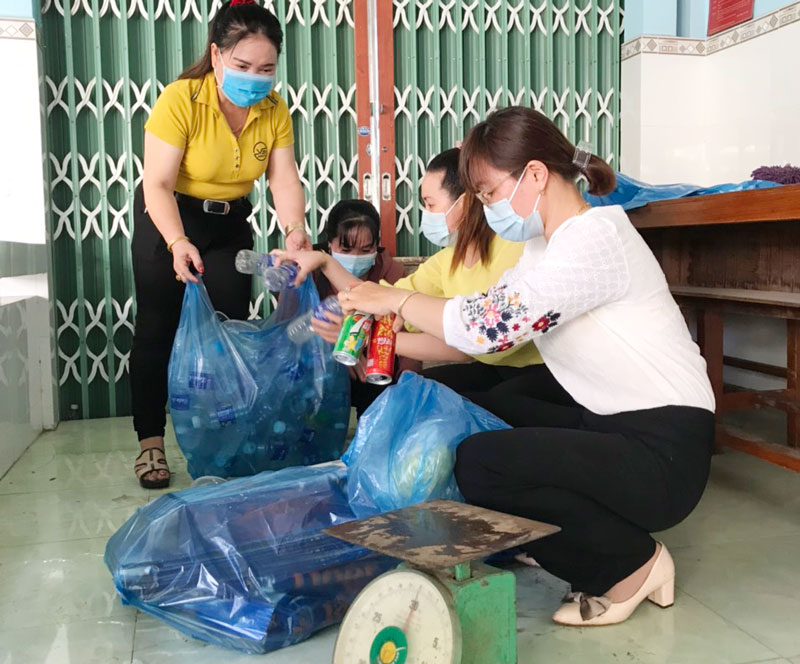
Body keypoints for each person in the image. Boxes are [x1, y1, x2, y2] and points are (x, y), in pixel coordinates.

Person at [336, 106, 715, 626]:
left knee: (481, 461)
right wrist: (393, 326)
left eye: (489, 193)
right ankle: (564, 539)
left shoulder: (594, 240)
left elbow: (487, 327)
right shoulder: (543, 246)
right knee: (479, 406)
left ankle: (630, 566)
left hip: (664, 451)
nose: (486, 207)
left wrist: (394, 302)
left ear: (535, 174)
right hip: (613, 421)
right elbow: (481, 338)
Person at [130, 0, 310, 489]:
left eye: (267, 68)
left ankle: (217, 436)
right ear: (216, 56)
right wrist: (176, 241)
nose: (256, 77)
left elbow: (284, 179)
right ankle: (150, 443)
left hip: (230, 223)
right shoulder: (181, 100)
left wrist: (295, 231)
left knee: (227, 328)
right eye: (243, 65)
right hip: (168, 217)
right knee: (158, 327)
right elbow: (157, 184)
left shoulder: (273, 109)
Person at [311, 199, 416, 415]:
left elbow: (408, 332)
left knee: (381, 392)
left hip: (377, 366)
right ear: (329, 244)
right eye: (346, 249)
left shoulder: (392, 273)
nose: (356, 258)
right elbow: (294, 330)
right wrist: (345, 352)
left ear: (377, 245)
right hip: (322, 366)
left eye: (366, 249)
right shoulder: (312, 273)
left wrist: (408, 383)